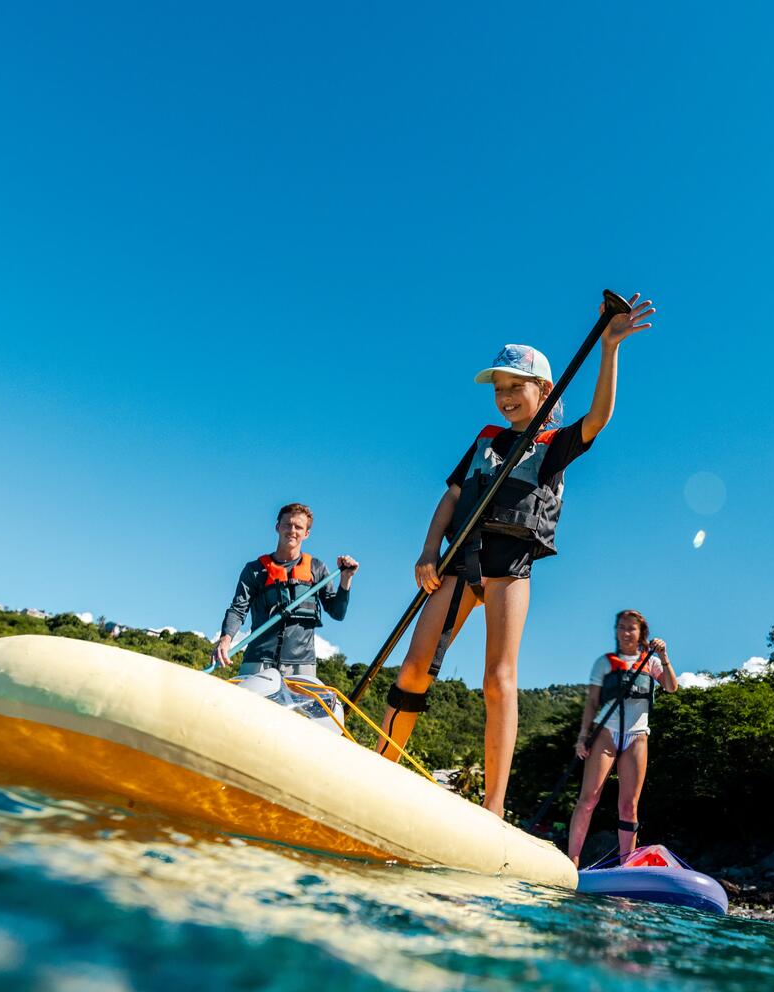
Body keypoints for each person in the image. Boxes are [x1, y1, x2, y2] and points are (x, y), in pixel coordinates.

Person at [376, 294, 656, 815]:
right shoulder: (486, 440)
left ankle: (494, 807)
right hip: (460, 561)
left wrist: (610, 348)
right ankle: (379, 768)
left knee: (498, 680)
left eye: (515, 387)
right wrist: (428, 550)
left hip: (511, 569)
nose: (504, 397)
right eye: (499, 389)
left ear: (544, 390)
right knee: (415, 668)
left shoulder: (556, 442)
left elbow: (599, 417)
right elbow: (455, 495)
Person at [214, 503, 358, 714]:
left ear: (307, 533)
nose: (292, 531)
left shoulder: (317, 568)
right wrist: (226, 639)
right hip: (258, 661)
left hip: (301, 665)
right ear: (277, 527)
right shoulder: (255, 570)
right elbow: (238, 608)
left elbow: (337, 613)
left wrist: (346, 579)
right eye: (287, 525)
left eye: (298, 527)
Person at [566, 610, 677, 865]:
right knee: (589, 798)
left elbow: (671, 687)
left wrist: (664, 656)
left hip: (637, 736)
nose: (626, 632)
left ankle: (626, 865)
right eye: (621, 627)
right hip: (607, 734)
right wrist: (583, 736)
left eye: (631, 628)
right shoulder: (605, 663)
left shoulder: (651, 662)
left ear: (641, 634)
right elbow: (593, 701)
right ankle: (571, 861)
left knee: (629, 806)